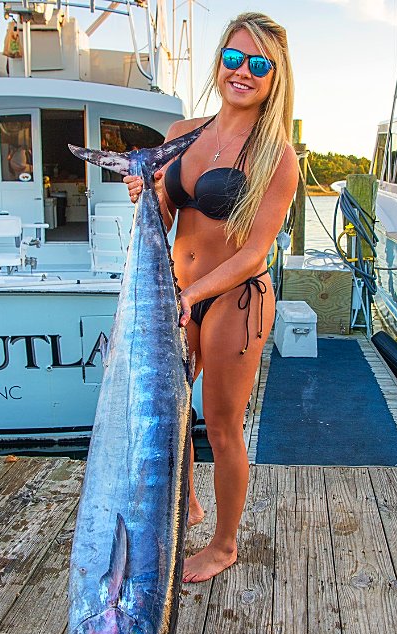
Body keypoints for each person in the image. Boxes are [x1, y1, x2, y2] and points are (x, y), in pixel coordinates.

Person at [124, 12, 298, 583]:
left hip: (234, 299)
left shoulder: (278, 156)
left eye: (257, 64)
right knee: (173, 416)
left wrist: (191, 294)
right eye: (232, 58)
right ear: (218, 61)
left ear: (275, 77)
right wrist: (145, 193)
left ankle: (225, 546)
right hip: (176, 290)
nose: (241, 72)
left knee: (221, 424)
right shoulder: (181, 133)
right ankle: (189, 505)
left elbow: (254, 254)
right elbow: (171, 212)